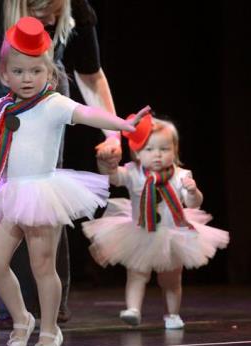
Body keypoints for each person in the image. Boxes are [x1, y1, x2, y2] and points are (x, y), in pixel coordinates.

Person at [0, 17, 147, 346]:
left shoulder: (54, 104)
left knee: (42, 267)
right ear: (5, 74)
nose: (27, 78)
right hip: (8, 192)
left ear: (49, 73)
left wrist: (122, 126)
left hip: (41, 195)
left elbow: (88, 113)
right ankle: (22, 317)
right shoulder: (4, 104)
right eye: (19, 71)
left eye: (35, 71)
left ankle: (50, 329)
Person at [82, 114, 229, 329]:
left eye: (164, 149)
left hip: (172, 233)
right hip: (140, 232)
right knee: (137, 274)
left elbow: (193, 203)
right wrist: (104, 162)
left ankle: (172, 314)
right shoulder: (133, 172)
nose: (157, 155)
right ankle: (133, 309)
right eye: (149, 150)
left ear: (174, 150)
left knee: (170, 279)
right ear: (137, 153)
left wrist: (193, 191)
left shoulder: (180, 175)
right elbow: (113, 176)